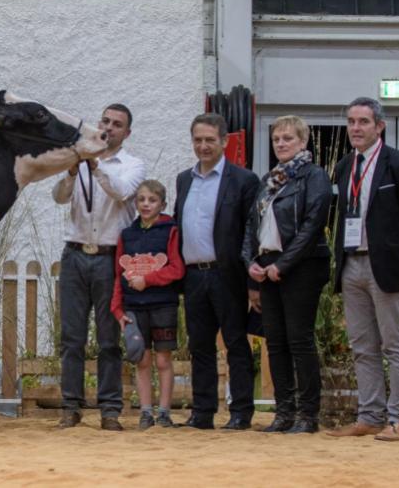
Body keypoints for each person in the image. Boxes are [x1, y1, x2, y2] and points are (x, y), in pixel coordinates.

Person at [326, 97, 399, 442]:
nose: (356, 128)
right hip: (351, 263)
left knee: (396, 344)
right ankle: (369, 416)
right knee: (361, 345)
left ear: (379, 126)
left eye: (363, 122)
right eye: (352, 121)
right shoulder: (344, 166)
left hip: (387, 267)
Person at [51, 104, 145, 431]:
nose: (109, 127)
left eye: (117, 124)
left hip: (109, 256)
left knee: (108, 339)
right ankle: (70, 406)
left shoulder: (133, 165)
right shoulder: (78, 161)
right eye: (105, 121)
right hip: (75, 253)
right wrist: (72, 173)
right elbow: (59, 197)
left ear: (127, 133)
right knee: (71, 337)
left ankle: (110, 409)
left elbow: (121, 192)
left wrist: (96, 168)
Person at [242, 115, 331, 434]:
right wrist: (252, 263)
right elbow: (253, 225)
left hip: (302, 266)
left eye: (288, 138)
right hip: (268, 266)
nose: (281, 143)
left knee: (299, 340)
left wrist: (284, 265)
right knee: (275, 342)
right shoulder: (269, 180)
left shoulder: (314, 175)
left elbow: (312, 226)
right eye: (277, 138)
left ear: (303, 142)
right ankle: (284, 412)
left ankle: (308, 415)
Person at [173, 112, 260, 430]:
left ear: (224, 141)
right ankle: (203, 411)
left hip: (228, 274)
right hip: (194, 275)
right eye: (198, 139)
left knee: (236, 343)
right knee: (199, 346)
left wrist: (253, 280)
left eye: (210, 139)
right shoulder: (184, 179)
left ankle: (241, 412)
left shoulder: (244, 180)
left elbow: (253, 232)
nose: (203, 146)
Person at [111, 179, 184, 430]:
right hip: (134, 306)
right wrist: (117, 309)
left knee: (163, 360)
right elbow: (118, 275)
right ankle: (145, 412)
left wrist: (148, 280)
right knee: (141, 360)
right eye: (141, 199)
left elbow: (177, 269)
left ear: (162, 204)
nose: (146, 204)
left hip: (163, 304)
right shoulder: (127, 235)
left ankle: (163, 412)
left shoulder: (170, 230)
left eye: (152, 200)